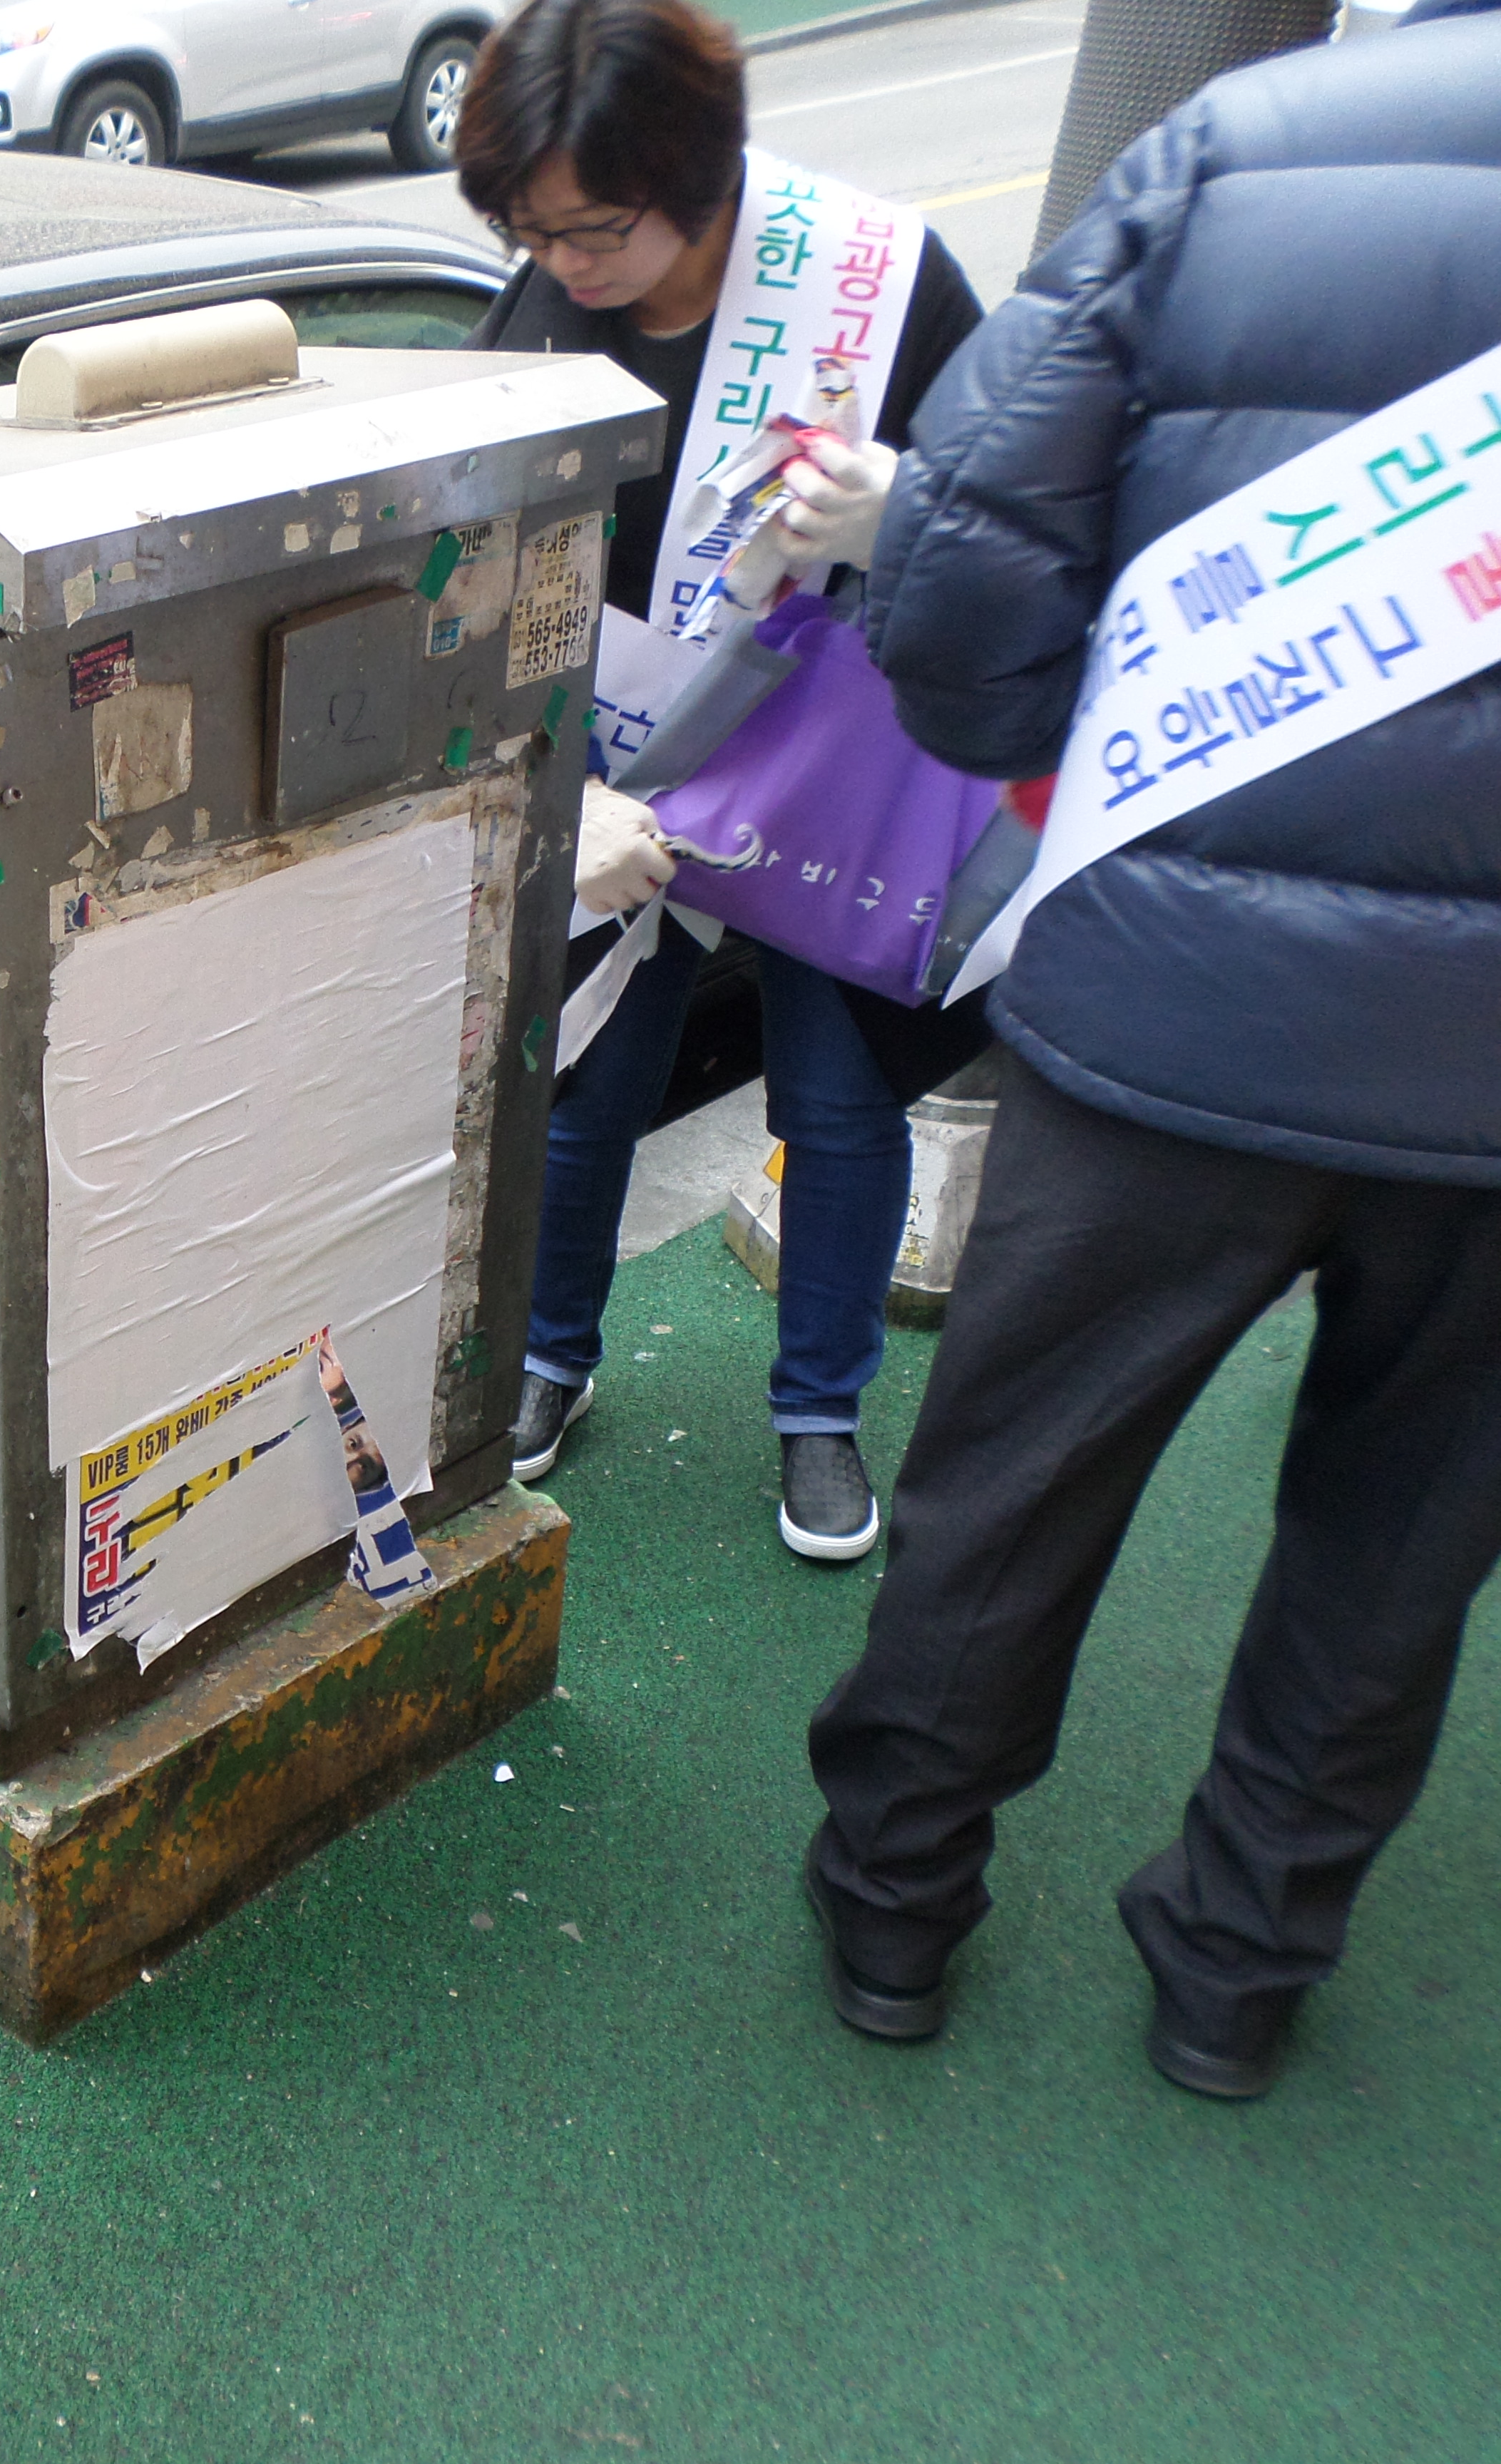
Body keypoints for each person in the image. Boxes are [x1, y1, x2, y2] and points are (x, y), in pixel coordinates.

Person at [801, 7, 1501, 2098]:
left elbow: (953, 567)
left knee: (1012, 1486)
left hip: (1156, 1010)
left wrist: (1071, 773)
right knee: (1399, 1548)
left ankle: (894, 1920)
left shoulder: (1242, 139)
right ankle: (1237, 1975)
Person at [454, 0, 985, 1559]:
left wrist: (906, 516)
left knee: (838, 1101)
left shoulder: (873, 286)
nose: (569, 262)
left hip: (835, 780)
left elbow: (1026, 519)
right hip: (622, 775)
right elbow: (474, 567)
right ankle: (551, 1355)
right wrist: (568, 802)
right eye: (530, 229)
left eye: (598, 226)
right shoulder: (542, 308)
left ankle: (819, 1414)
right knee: (578, 1085)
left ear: (704, 169)